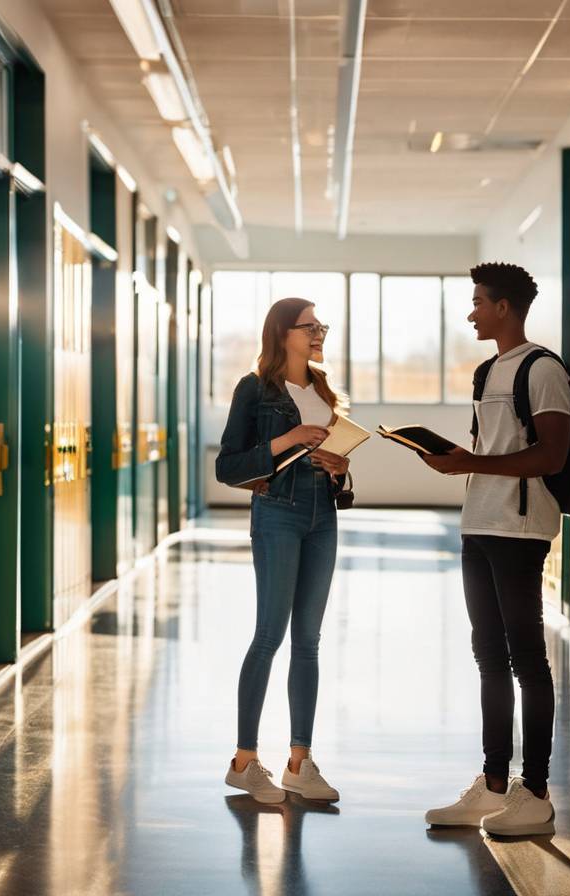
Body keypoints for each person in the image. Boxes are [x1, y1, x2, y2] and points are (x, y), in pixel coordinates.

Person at [420, 262, 570, 836]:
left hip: (519, 529)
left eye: (479, 301)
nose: (472, 311)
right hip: (478, 524)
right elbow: (496, 449)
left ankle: (535, 792)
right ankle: (491, 785)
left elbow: (550, 457)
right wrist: (455, 460)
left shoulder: (543, 369)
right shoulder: (488, 372)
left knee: (526, 658)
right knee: (488, 656)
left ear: (504, 307)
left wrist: (471, 462)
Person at [216, 297, 350, 804]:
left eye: (321, 325)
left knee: (309, 640)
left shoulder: (322, 389)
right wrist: (286, 439)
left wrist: (339, 467)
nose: (318, 332)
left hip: (323, 513)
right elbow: (228, 465)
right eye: (308, 326)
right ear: (281, 332)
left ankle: (300, 761)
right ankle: (244, 762)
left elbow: (329, 452)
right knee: (269, 634)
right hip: (278, 512)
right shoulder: (255, 389)